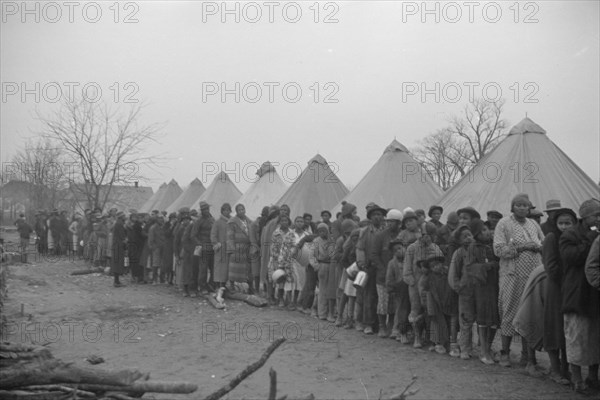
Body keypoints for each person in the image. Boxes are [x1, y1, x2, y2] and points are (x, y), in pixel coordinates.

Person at [493, 193, 544, 368]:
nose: (522, 208)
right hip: (512, 276)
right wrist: (522, 247)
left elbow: (544, 244)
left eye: (525, 205)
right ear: (512, 207)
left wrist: (539, 248)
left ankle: (528, 357)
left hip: (532, 276)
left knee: (530, 314)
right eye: (518, 205)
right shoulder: (504, 224)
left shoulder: (533, 224)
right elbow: (498, 249)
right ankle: (505, 353)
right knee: (509, 311)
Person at [559, 199, 600, 393]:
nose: (599, 219)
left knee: (595, 338)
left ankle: (593, 377)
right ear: (584, 217)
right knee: (576, 337)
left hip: (595, 293)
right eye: (596, 215)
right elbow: (571, 257)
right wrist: (592, 238)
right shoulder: (570, 235)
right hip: (577, 293)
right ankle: (577, 380)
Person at [542, 207, 577, 385]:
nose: (564, 226)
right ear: (556, 224)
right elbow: (550, 265)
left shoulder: (576, 239)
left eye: (568, 223)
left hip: (572, 289)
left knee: (568, 329)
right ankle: (555, 370)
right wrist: (566, 280)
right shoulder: (551, 238)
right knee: (555, 328)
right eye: (561, 223)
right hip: (556, 288)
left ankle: (566, 369)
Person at [403, 221, 444, 349]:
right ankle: (417, 336)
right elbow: (407, 268)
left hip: (431, 286)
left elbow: (440, 265)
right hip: (415, 285)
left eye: (431, 235)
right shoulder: (412, 248)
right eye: (425, 234)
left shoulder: (435, 248)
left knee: (430, 311)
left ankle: (430, 338)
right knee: (416, 309)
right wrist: (411, 282)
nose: (427, 238)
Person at [356, 203, 387, 334]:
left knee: (382, 297)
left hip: (383, 267)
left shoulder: (386, 231)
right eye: (374, 215)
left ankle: (381, 325)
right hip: (369, 267)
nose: (377, 217)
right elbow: (360, 249)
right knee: (369, 296)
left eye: (379, 214)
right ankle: (368, 323)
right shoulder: (364, 232)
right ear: (370, 217)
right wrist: (362, 264)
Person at [373, 209, 404, 338]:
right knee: (383, 303)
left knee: (393, 303)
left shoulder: (402, 236)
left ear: (398, 223)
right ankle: (382, 326)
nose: (390, 224)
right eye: (388, 221)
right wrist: (382, 269)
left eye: (393, 222)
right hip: (382, 276)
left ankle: (391, 325)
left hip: (398, 276)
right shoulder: (380, 236)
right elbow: (374, 255)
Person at [386, 239, 411, 344]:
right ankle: (397, 330)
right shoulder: (392, 263)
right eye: (395, 250)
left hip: (410, 287)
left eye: (400, 248)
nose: (399, 251)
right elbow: (389, 278)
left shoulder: (409, 260)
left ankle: (409, 331)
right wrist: (391, 288)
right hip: (398, 289)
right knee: (400, 310)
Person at [335, 219, 359, 326]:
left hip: (357, 272)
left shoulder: (360, 244)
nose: (350, 235)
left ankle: (351, 317)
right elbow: (340, 257)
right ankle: (340, 316)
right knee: (345, 294)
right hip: (349, 271)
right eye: (347, 233)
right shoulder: (345, 242)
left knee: (353, 295)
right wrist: (350, 269)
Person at [270, 215, 297, 308]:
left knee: (289, 279)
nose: (284, 222)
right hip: (278, 259)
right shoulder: (276, 233)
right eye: (282, 221)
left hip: (289, 259)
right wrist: (276, 259)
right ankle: (280, 298)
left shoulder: (291, 233)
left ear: (288, 222)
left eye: (286, 221)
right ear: (279, 222)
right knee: (280, 279)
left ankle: (288, 299)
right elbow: (273, 247)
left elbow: (294, 245)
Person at [311, 222, 336, 319]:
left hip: (332, 265)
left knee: (331, 289)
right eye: (320, 231)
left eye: (324, 231)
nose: (322, 233)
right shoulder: (316, 241)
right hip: (322, 265)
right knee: (322, 289)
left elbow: (334, 253)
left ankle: (332, 312)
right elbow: (311, 256)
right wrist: (316, 266)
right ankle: (322, 313)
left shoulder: (332, 240)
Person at [227, 204, 253, 288]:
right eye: (239, 210)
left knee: (247, 268)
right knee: (234, 268)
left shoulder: (249, 221)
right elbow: (230, 236)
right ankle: (232, 285)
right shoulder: (232, 222)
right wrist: (232, 249)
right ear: (236, 212)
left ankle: (250, 287)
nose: (241, 211)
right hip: (236, 247)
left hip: (247, 247)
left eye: (243, 209)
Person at [192, 202, 215, 294]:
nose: (206, 211)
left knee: (213, 268)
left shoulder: (212, 219)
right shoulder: (199, 221)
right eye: (204, 209)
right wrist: (200, 244)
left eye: (207, 209)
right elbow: (193, 235)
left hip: (212, 247)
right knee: (203, 269)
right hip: (204, 247)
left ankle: (210, 285)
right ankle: (202, 287)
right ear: (201, 211)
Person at [211, 203, 231, 288]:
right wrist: (216, 243)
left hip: (229, 248)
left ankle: (224, 286)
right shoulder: (218, 222)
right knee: (219, 268)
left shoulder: (232, 222)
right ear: (222, 211)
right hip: (220, 248)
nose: (227, 212)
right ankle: (217, 287)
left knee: (227, 269)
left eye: (228, 210)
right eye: (225, 210)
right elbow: (213, 234)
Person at [127, 213, 144, 284]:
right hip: (135, 245)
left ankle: (134, 277)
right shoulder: (137, 226)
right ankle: (135, 277)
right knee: (134, 261)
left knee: (133, 261)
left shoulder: (136, 225)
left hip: (133, 244)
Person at [148, 216, 166, 284]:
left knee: (162, 263)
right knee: (155, 263)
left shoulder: (163, 227)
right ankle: (154, 279)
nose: (161, 220)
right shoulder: (153, 228)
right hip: (156, 247)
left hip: (163, 247)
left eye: (162, 219)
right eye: (160, 219)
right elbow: (151, 239)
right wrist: (153, 247)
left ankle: (162, 278)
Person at [111, 212, 127, 287]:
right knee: (117, 263)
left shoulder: (118, 223)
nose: (125, 217)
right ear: (121, 217)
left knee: (117, 262)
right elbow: (122, 236)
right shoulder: (119, 224)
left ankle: (116, 281)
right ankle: (116, 281)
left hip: (116, 244)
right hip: (118, 245)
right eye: (124, 216)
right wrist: (125, 241)